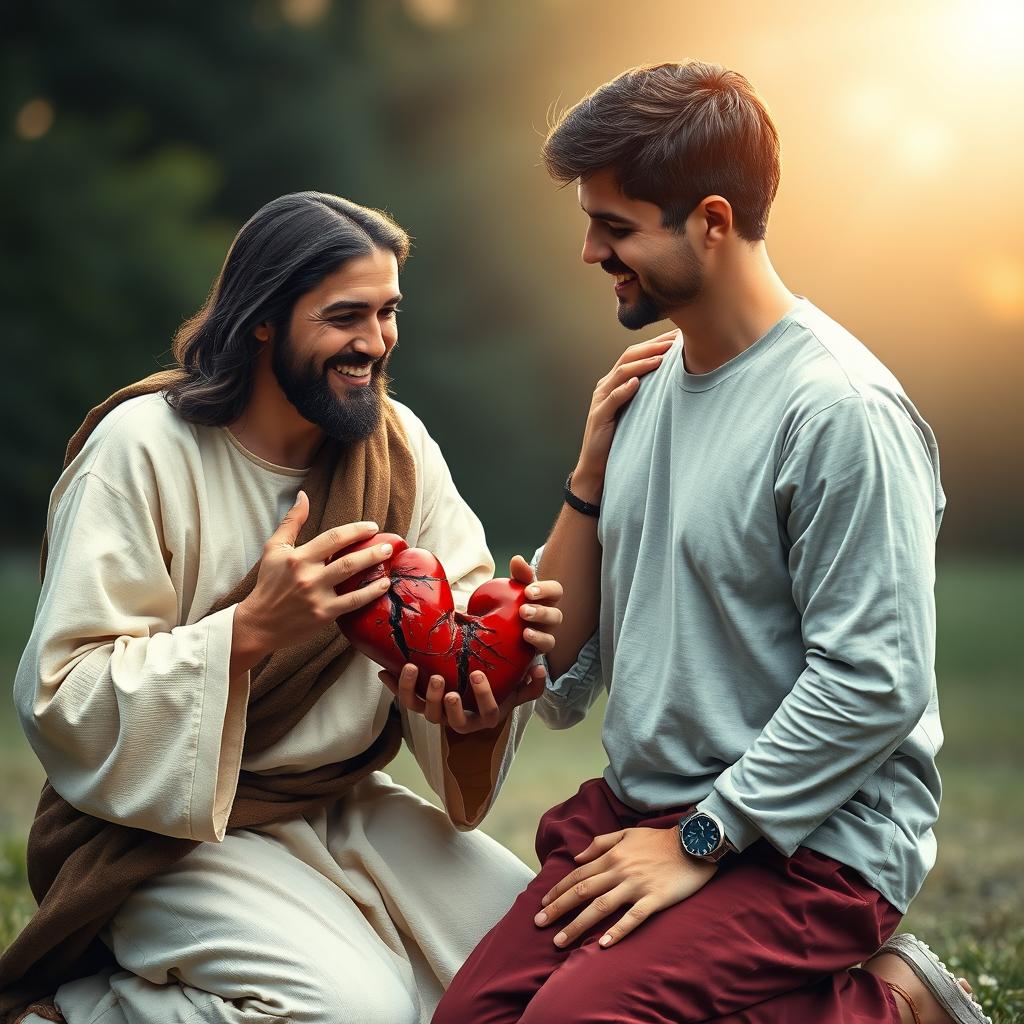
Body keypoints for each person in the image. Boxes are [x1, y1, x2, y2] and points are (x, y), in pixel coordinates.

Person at [434, 62, 992, 1024]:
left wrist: (700, 839)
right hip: (648, 814)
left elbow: (876, 680)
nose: (589, 252)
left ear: (714, 221)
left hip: (809, 836)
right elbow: (571, 682)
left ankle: (893, 1008)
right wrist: (588, 478)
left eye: (617, 227)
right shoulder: (644, 389)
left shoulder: (838, 413)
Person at [1, 191, 563, 1024]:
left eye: (387, 313)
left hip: (339, 804)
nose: (374, 342)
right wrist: (250, 632)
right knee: (354, 1012)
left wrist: (488, 680)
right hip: (170, 830)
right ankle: (75, 1014)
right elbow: (63, 692)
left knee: (542, 970)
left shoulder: (399, 450)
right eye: (345, 317)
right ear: (262, 318)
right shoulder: (142, 448)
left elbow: (455, 635)